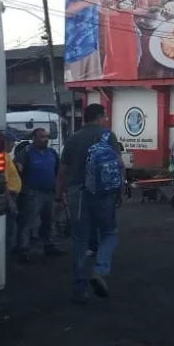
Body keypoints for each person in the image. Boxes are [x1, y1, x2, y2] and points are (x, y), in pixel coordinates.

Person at [56, 103, 124, 303]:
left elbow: (62, 171)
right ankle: (100, 269)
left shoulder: (73, 139)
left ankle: (80, 288)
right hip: (104, 193)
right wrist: (120, 191)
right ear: (99, 117)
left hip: (78, 193)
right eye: (104, 117)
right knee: (109, 233)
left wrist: (58, 197)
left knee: (80, 240)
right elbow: (119, 164)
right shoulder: (107, 136)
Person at [12, 128, 65, 262]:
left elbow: (59, 171)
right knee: (27, 222)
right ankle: (23, 249)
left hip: (50, 193)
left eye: (47, 137)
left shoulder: (52, 153)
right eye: (42, 137)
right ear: (34, 138)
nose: (45, 140)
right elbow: (16, 170)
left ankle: (49, 246)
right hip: (32, 193)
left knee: (49, 221)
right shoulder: (26, 153)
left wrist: (61, 191)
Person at [4, 131, 23, 253]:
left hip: (13, 195)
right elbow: (3, 182)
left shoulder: (7, 156)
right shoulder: (3, 157)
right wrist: (10, 201)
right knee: (10, 229)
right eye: (12, 142)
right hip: (9, 195)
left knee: (12, 227)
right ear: (5, 142)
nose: (13, 145)